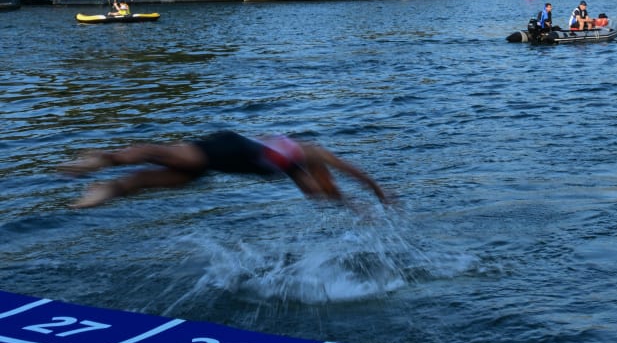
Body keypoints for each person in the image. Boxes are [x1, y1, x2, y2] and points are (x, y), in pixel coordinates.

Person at [61, 131, 391, 209]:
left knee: (148, 180)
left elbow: (328, 194)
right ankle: (100, 159)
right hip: (225, 147)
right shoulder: (309, 152)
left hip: (223, 164)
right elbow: (353, 173)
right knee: (159, 155)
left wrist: (357, 207)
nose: (325, 183)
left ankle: (104, 190)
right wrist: (378, 193)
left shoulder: (300, 176)